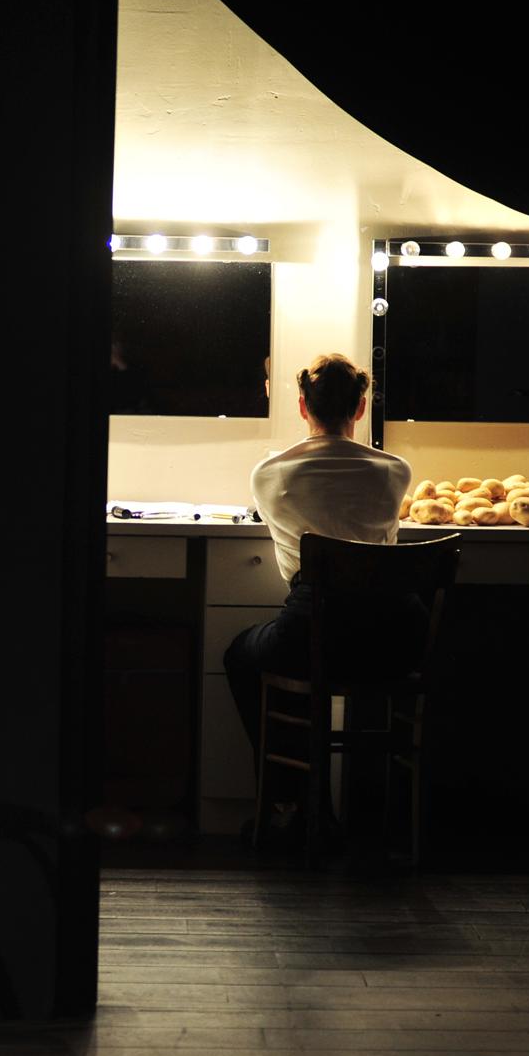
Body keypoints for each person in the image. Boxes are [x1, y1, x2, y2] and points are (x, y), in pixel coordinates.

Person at [224, 353, 426, 845]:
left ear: (302, 406)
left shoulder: (270, 475)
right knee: (325, 647)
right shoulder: (395, 471)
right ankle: (386, 817)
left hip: (314, 633)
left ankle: (289, 805)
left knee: (244, 654)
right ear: (361, 408)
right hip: (395, 641)